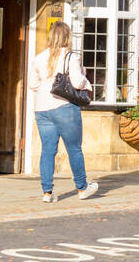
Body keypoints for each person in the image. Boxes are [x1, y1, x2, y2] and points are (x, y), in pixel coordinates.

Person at [29, 21, 98, 203]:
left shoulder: (38, 58)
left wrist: (46, 84)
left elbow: (32, 84)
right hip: (64, 107)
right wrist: (86, 79)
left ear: (50, 36)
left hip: (42, 109)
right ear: (67, 37)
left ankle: (47, 193)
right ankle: (82, 188)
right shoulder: (70, 57)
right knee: (74, 149)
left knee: (48, 150)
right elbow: (76, 82)